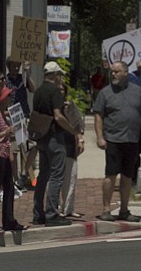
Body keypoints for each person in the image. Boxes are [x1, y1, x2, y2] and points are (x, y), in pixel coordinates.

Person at [93, 61, 141, 222]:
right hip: (113, 139)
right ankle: (106, 209)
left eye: (117, 71)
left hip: (132, 140)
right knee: (110, 175)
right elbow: (98, 116)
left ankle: (124, 210)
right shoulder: (105, 93)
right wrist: (100, 137)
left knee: (127, 176)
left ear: (126, 73)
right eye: (112, 71)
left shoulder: (138, 92)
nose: (113, 74)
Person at [32, 61, 76, 227]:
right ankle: (52, 214)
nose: (60, 79)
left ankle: (38, 213)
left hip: (41, 137)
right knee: (56, 176)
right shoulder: (55, 92)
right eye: (59, 75)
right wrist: (71, 129)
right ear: (55, 75)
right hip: (54, 137)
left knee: (42, 176)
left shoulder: (38, 92)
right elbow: (58, 116)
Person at [0, 86, 28, 233]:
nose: (11, 98)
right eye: (9, 96)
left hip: (4, 155)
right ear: (2, 99)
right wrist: (6, 132)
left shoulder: (3, 114)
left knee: (9, 188)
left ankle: (9, 221)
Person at [5, 57, 38, 190]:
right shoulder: (6, 81)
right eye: (14, 66)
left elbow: (33, 89)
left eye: (18, 66)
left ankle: (24, 174)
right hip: (13, 116)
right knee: (15, 150)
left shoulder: (22, 79)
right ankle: (16, 180)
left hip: (23, 115)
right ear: (9, 66)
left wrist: (27, 72)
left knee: (32, 146)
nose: (16, 68)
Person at [58, 80, 85, 218]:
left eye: (63, 89)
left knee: (71, 177)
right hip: (56, 145)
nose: (60, 92)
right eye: (58, 89)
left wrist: (80, 140)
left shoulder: (70, 107)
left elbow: (78, 125)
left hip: (69, 144)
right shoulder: (53, 106)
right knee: (57, 178)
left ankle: (68, 208)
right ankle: (56, 208)